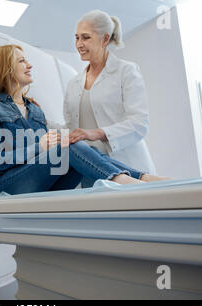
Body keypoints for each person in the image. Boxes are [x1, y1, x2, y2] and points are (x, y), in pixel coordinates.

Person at [0, 44, 167, 196]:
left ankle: (142, 177)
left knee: (77, 145)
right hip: (6, 185)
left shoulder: (34, 109)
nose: (29, 65)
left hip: (40, 180)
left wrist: (65, 139)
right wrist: (40, 148)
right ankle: (122, 181)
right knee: (68, 148)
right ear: (5, 68)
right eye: (22, 61)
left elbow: (48, 151)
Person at [64, 10, 157, 187]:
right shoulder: (73, 83)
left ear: (105, 39)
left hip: (128, 165)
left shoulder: (126, 71)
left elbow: (139, 123)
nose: (79, 44)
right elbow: (71, 129)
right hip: (92, 170)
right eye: (77, 38)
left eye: (86, 37)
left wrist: (96, 133)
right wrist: (38, 117)